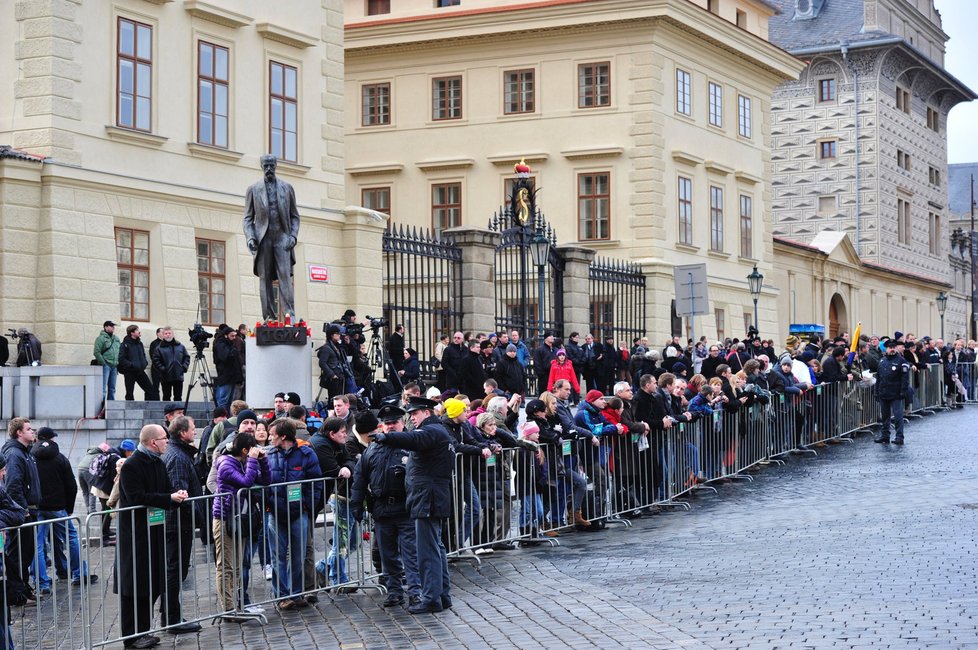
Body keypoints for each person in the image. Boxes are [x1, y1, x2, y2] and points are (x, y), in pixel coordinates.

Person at [369, 396, 454, 614]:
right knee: (435, 548)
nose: (411, 418)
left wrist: (385, 438)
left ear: (426, 412)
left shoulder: (431, 430)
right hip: (430, 498)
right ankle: (441, 595)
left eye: (414, 414)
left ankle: (432, 598)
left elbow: (412, 440)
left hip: (427, 499)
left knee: (427, 551)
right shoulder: (437, 430)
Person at [116, 425, 188, 649]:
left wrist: (176, 496)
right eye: (164, 438)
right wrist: (169, 498)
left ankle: (144, 631)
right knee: (134, 586)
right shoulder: (131, 465)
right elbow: (137, 496)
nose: (167, 441)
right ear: (152, 442)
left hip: (155, 531)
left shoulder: (157, 461)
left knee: (152, 584)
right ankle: (132, 637)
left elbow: (165, 489)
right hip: (135, 536)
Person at [350, 405, 422, 607]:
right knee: (387, 555)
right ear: (382, 426)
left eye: (395, 422)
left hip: (406, 507)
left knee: (411, 554)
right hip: (382, 509)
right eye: (387, 423)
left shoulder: (412, 444)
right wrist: (357, 503)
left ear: (402, 423)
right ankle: (394, 592)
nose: (391, 426)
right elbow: (360, 478)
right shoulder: (373, 448)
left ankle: (416, 592)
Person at [264, 418, 322, 609]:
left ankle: (296, 593)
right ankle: (282, 596)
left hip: (299, 513)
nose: (269, 438)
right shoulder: (269, 455)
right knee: (278, 556)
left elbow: (315, 483)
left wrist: (307, 507)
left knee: (298, 555)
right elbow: (262, 482)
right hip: (275, 512)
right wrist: (267, 505)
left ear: (283, 436)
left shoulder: (306, 454)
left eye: (272, 435)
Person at [31, 428, 97, 596]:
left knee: (37, 545)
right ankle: (78, 574)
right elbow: (71, 486)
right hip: (58, 508)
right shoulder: (60, 458)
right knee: (71, 538)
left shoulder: (30, 457)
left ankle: (42, 583)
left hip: (37, 508)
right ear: (51, 439)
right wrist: (68, 509)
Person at [211, 431, 270, 618]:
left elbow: (266, 481)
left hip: (239, 517)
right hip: (225, 518)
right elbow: (246, 481)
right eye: (252, 449)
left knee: (237, 566)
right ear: (245, 450)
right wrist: (253, 461)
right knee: (226, 566)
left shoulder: (245, 461)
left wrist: (262, 461)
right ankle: (228, 608)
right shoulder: (226, 464)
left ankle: (237, 606)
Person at [243, 154, 301, 322]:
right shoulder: (253, 190)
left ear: (276, 166)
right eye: (266, 166)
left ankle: (290, 317)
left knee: (285, 278)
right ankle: (269, 317)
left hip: (282, 237)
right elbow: (247, 218)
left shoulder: (287, 188)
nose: (269, 169)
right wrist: (251, 238)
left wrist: (293, 236)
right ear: (262, 167)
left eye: (271, 166)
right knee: (265, 279)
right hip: (263, 238)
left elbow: (295, 216)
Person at [159, 417, 203, 634]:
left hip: (177, 523)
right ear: (182, 432)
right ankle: (172, 619)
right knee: (175, 571)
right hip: (176, 524)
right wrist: (197, 517)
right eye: (193, 429)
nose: (195, 432)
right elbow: (180, 494)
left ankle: (170, 616)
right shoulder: (177, 457)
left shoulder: (178, 453)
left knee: (174, 570)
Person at [2, 418, 40, 606]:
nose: (32, 432)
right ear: (19, 432)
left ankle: (23, 588)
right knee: (18, 554)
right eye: (29, 429)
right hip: (21, 514)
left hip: (27, 511)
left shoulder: (26, 453)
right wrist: (22, 509)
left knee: (26, 553)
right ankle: (18, 593)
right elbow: (13, 485)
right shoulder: (15, 454)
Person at [875, 340, 912, 445]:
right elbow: (878, 378)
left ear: (896, 348)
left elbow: (905, 378)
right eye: (889, 347)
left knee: (898, 416)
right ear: (886, 349)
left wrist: (903, 391)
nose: (891, 349)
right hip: (883, 392)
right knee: (885, 416)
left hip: (896, 393)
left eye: (893, 347)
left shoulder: (901, 361)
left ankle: (899, 437)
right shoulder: (882, 361)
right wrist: (876, 392)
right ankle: (885, 436)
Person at [118, 325, 158, 401]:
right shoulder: (124, 345)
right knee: (129, 393)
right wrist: (132, 365)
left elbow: (143, 355)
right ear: (132, 333)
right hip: (129, 372)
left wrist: (144, 363)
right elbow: (121, 359)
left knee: (150, 390)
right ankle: (130, 410)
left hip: (140, 371)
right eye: (137, 330)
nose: (139, 332)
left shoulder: (140, 344)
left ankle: (147, 408)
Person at [151, 327, 190, 403]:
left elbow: (186, 357)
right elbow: (155, 360)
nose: (168, 335)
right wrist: (163, 369)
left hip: (178, 376)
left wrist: (184, 367)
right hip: (166, 376)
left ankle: (178, 413)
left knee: (178, 397)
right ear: (163, 335)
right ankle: (168, 413)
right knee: (166, 397)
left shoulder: (180, 346)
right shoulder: (159, 348)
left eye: (169, 333)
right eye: (166, 333)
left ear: (173, 334)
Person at [213, 325, 243, 414]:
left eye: (235, 335)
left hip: (231, 376)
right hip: (225, 376)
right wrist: (233, 351)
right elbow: (225, 357)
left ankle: (225, 418)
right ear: (226, 335)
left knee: (229, 401)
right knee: (223, 400)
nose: (234, 338)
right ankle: (221, 418)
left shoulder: (229, 344)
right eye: (232, 336)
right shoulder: (221, 344)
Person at [94, 320, 121, 402]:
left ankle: (111, 408)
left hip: (114, 366)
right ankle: (101, 409)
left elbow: (119, 351)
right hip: (106, 365)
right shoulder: (100, 338)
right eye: (111, 325)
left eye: (113, 326)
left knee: (112, 389)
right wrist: (103, 363)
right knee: (103, 388)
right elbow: (96, 352)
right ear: (106, 327)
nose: (113, 327)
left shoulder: (116, 339)